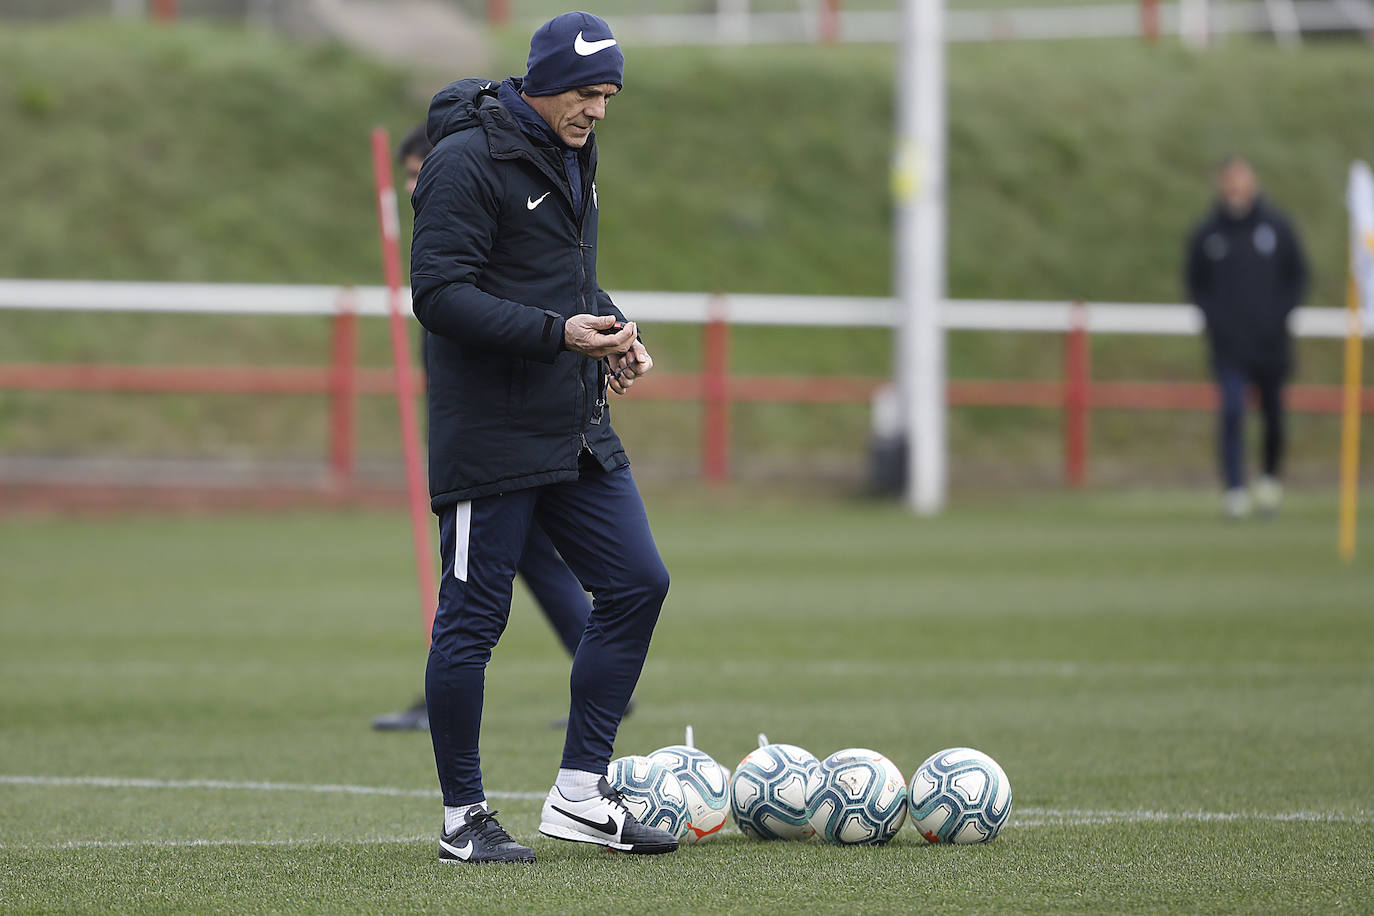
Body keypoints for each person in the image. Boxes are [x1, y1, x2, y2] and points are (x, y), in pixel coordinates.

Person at [409, 12, 676, 864]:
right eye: (586, 93)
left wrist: (615, 328)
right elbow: (439, 295)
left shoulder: (571, 151)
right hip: (490, 435)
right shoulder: (462, 159)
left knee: (637, 583)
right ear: (544, 82)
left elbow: (564, 277)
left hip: (572, 426)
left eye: (607, 97)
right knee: (472, 625)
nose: (597, 110)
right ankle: (464, 821)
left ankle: (579, 794)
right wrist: (559, 334)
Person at [370, 124, 599, 734]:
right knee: (529, 561)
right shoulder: (444, 229)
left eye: (421, 172)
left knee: (480, 596)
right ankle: (592, 665)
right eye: (410, 178)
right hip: (474, 426)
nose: (417, 185)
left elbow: (469, 298)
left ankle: (588, 670)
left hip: (505, 430)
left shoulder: (478, 203)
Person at [1185, 156, 1309, 518]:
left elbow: (1297, 276)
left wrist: (1276, 317)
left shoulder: (1277, 227)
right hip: (1228, 345)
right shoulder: (1208, 233)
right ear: (1221, 183)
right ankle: (1235, 489)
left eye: (1241, 178)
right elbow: (1195, 284)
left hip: (1271, 343)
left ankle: (1269, 482)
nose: (1236, 186)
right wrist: (1216, 322)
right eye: (1229, 179)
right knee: (1232, 411)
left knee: (1272, 416)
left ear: (1252, 181)